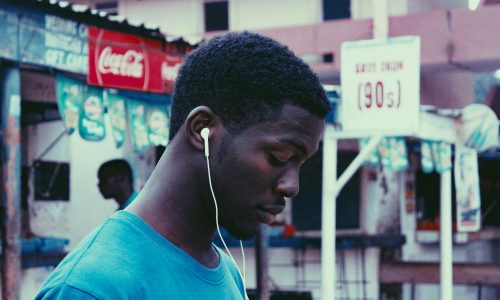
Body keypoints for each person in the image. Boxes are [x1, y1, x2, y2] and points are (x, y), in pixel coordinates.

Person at [36, 31, 330, 300]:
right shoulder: (93, 288)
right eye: (278, 157)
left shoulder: (226, 272)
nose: (291, 186)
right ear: (202, 129)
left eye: (299, 165)